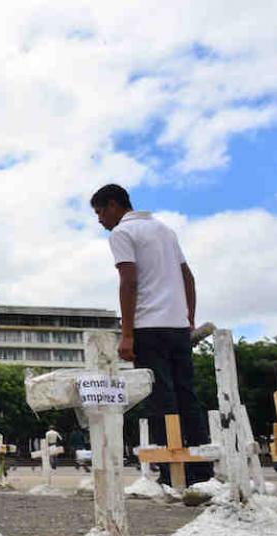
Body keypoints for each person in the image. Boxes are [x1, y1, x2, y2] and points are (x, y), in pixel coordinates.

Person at [91, 183, 212, 487]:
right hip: (177, 325)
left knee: (159, 397)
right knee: (187, 394)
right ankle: (202, 471)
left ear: (113, 205)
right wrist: (189, 318)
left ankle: (170, 473)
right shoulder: (165, 230)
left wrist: (127, 333)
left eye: (99, 212)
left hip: (147, 326)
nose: (100, 220)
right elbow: (189, 278)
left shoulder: (122, 233)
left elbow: (128, 280)